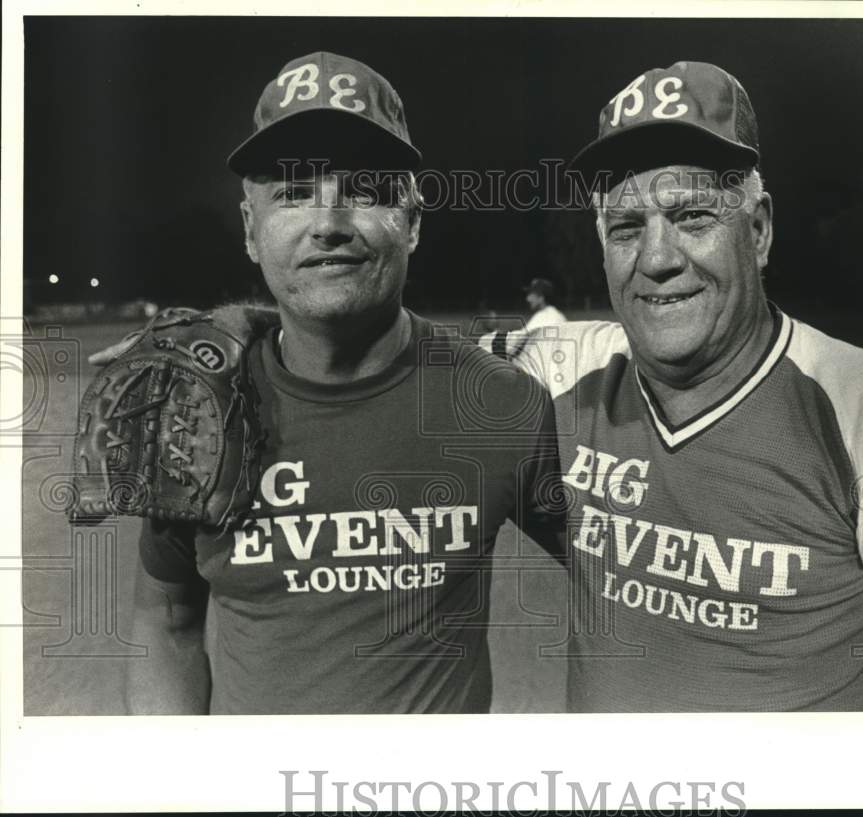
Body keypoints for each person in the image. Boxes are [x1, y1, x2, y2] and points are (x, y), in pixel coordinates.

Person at [484, 61, 863, 711]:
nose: (658, 258)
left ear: (758, 230)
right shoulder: (563, 367)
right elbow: (410, 367)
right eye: (627, 227)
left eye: (692, 215)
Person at [121, 52, 564, 715]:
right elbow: (165, 618)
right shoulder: (197, 409)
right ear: (250, 230)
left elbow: (631, 586)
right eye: (293, 192)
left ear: (412, 222)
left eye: (366, 189)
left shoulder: (500, 403)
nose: (328, 222)